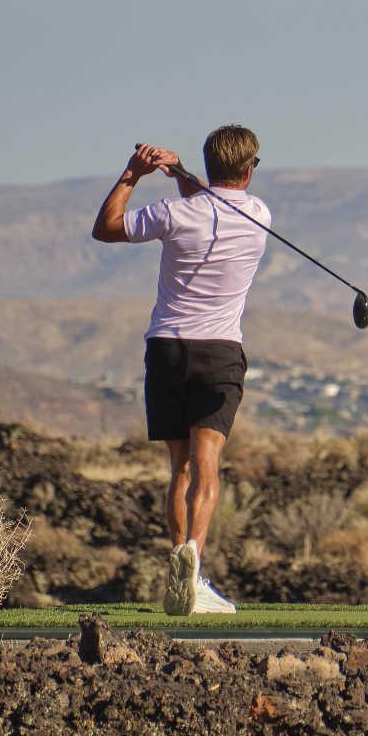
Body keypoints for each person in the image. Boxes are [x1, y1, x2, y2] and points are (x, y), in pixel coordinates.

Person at [90, 126, 270, 617]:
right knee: (207, 466)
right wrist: (180, 174)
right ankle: (195, 563)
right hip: (219, 353)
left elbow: (106, 228)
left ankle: (180, 561)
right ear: (251, 169)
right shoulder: (258, 215)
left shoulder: (173, 214)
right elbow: (216, 203)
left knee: (180, 469)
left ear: (208, 164)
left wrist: (135, 174)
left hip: (167, 349)